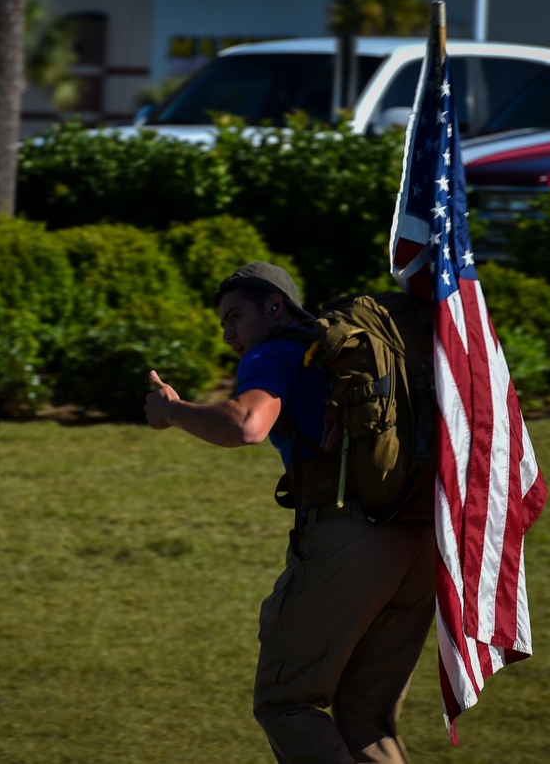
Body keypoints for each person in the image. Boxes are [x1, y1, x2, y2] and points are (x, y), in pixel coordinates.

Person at [144, 262, 435, 764]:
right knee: (365, 716)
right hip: (422, 540)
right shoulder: (344, 353)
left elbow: (247, 424)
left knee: (285, 704)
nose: (229, 333)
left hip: (350, 541)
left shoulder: (272, 354)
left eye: (235, 317)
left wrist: (172, 411)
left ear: (274, 307)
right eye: (223, 324)